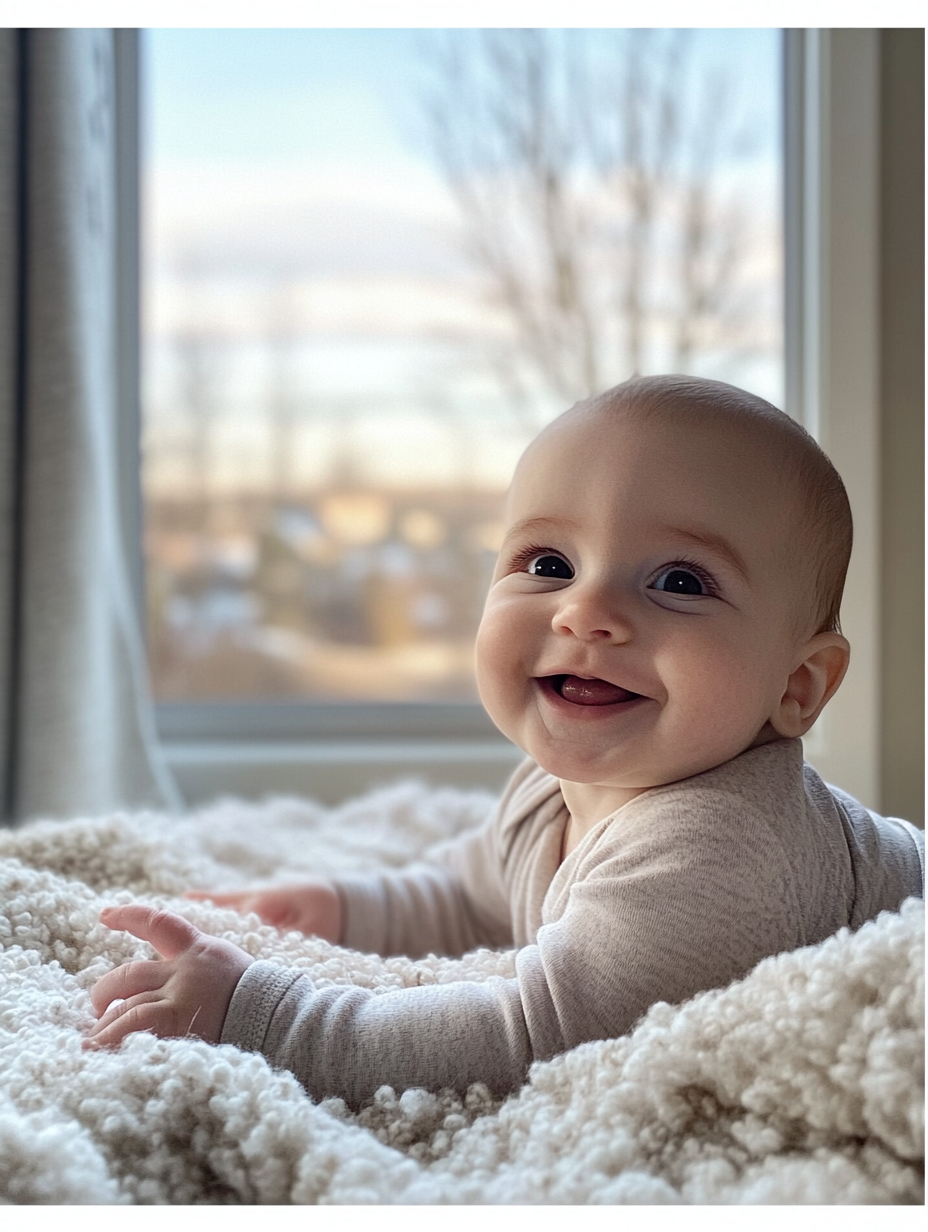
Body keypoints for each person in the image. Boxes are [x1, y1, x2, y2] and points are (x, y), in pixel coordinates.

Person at [84, 375, 924, 1107]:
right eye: (549, 562)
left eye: (678, 581)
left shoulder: (718, 852)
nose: (585, 611)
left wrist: (263, 1013)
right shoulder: (546, 789)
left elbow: (530, 1036)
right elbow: (475, 892)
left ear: (797, 686)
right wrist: (347, 907)